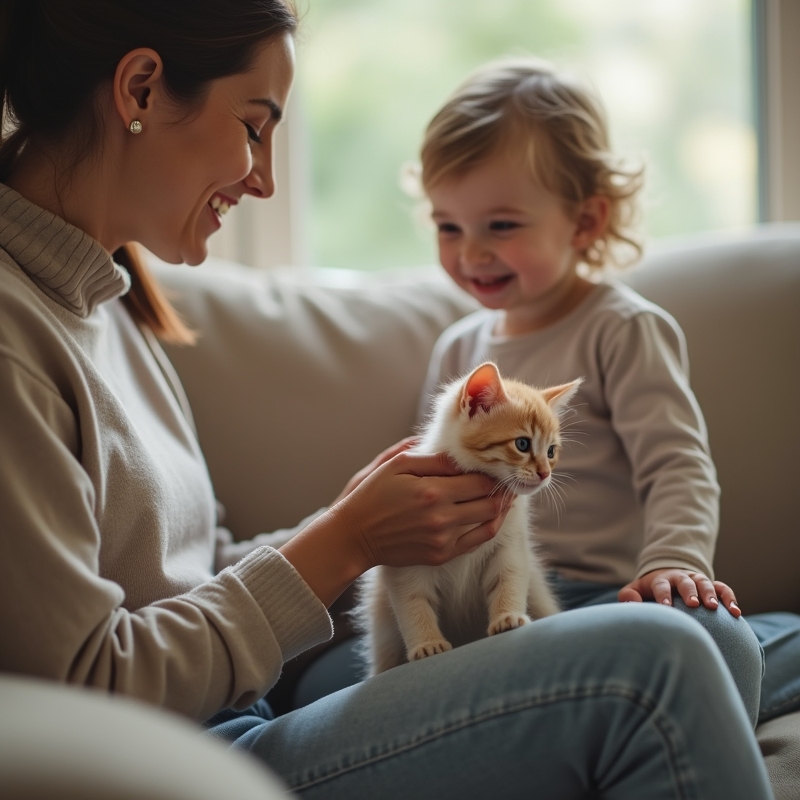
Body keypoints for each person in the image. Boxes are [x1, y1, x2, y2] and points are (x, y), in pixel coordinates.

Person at [0, 3, 775, 798]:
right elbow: (82, 689)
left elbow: (193, 573)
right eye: (255, 127)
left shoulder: (109, 306)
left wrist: (356, 524)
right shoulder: (15, 339)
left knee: (711, 641)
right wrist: (343, 541)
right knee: (662, 662)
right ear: (140, 90)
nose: (266, 180)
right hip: (189, 755)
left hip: (246, 701)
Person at [412, 55, 782, 728]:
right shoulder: (459, 352)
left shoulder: (623, 328)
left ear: (585, 222)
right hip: (487, 597)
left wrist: (672, 562)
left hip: (603, 598)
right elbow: (434, 483)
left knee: (721, 638)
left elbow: (678, 465)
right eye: (448, 227)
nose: (470, 253)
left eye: (501, 226)